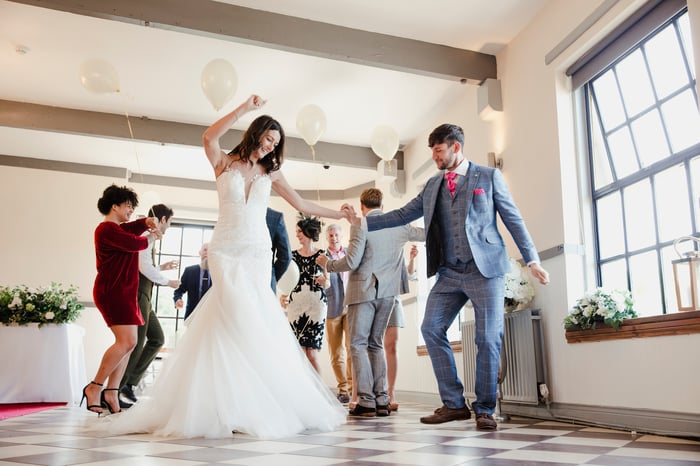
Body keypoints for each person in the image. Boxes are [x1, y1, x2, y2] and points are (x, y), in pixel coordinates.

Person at [105, 94, 346, 439]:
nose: (269, 146)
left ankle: (248, 402)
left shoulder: (271, 172)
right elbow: (208, 137)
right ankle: (222, 404)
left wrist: (338, 213)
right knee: (233, 311)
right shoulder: (224, 162)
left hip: (257, 252)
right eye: (267, 138)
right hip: (225, 248)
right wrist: (244, 108)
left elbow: (301, 202)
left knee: (252, 317)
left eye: (275, 143)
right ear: (256, 132)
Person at [341, 123, 549, 431]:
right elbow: (403, 215)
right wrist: (362, 222)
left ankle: (484, 409)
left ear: (456, 147)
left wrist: (532, 260)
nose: (435, 157)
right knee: (431, 328)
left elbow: (513, 218)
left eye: (439, 151)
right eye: (433, 152)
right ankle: (454, 404)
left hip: (485, 270)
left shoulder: (488, 177)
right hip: (450, 272)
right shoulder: (432, 186)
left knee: (487, 337)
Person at [318, 188, 424, 417]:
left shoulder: (362, 225)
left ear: (362, 206)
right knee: (375, 344)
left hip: (362, 292)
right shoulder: (400, 225)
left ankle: (366, 400)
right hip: (388, 294)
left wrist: (327, 264)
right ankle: (382, 400)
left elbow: (352, 261)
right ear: (382, 206)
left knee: (357, 344)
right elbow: (425, 234)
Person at [83, 184, 160, 415]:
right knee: (125, 342)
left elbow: (132, 228)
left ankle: (111, 392)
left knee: (131, 343)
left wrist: (146, 222)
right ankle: (95, 386)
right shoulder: (106, 229)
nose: (130, 210)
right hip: (113, 292)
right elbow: (134, 243)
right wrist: (151, 237)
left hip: (125, 292)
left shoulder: (118, 228)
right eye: (128, 206)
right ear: (114, 206)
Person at [119, 204, 180, 405]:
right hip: (139, 294)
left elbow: (145, 265)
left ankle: (129, 383)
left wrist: (161, 267)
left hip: (146, 296)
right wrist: (168, 282)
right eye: (169, 222)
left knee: (157, 338)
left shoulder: (150, 237)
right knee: (136, 342)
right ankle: (118, 388)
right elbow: (143, 267)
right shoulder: (146, 235)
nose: (169, 226)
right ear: (162, 219)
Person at [284, 215, 329, 374]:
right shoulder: (292, 256)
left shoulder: (322, 255)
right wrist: (284, 295)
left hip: (316, 307)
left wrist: (324, 281)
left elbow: (328, 283)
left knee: (311, 353)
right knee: (299, 353)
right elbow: (286, 280)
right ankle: (303, 387)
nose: (297, 235)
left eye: (299, 231)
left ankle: (318, 388)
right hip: (295, 307)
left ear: (308, 232)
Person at [385, 244, 419, 412]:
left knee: (391, 345)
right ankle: (374, 390)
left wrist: (411, 259)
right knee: (372, 348)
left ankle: (391, 392)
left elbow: (409, 275)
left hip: (393, 300)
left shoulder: (395, 250)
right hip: (372, 299)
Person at [323, 224, 352, 403]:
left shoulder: (350, 253)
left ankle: (353, 387)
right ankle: (343, 389)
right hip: (332, 308)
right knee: (336, 352)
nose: (334, 238)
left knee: (352, 349)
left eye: (336, 235)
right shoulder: (322, 257)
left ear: (341, 236)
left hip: (351, 306)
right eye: (331, 235)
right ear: (327, 238)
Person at [173, 243, 210, 321]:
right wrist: (178, 299)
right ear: (200, 252)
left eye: (210, 251)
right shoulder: (189, 271)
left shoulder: (219, 273)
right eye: (205, 250)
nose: (207, 253)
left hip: (212, 317)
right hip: (191, 316)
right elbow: (179, 290)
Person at [266, 207, 292, 292]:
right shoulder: (275, 217)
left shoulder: (232, 211)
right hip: (266, 280)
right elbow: (286, 256)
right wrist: (272, 275)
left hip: (236, 278)